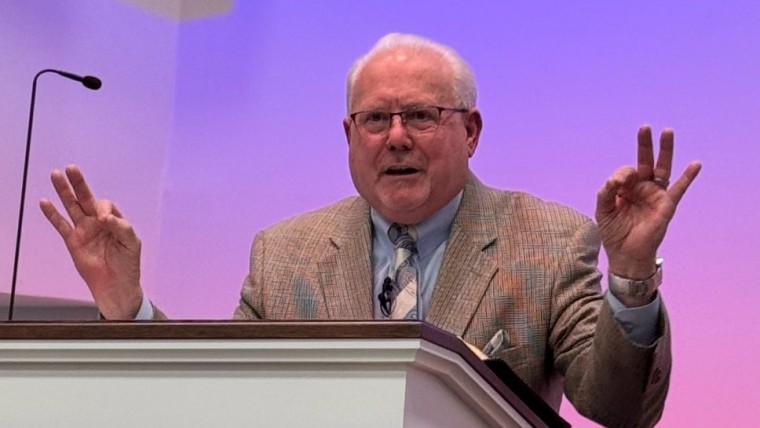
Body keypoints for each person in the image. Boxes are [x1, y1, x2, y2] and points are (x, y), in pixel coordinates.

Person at [40, 33, 701, 427]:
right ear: (349, 135)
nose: (396, 138)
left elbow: (619, 408)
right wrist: (127, 307)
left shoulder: (549, 239)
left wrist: (631, 278)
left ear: (471, 132)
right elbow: (221, 398)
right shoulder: (284, 253)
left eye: (421, 115)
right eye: (375, 120)